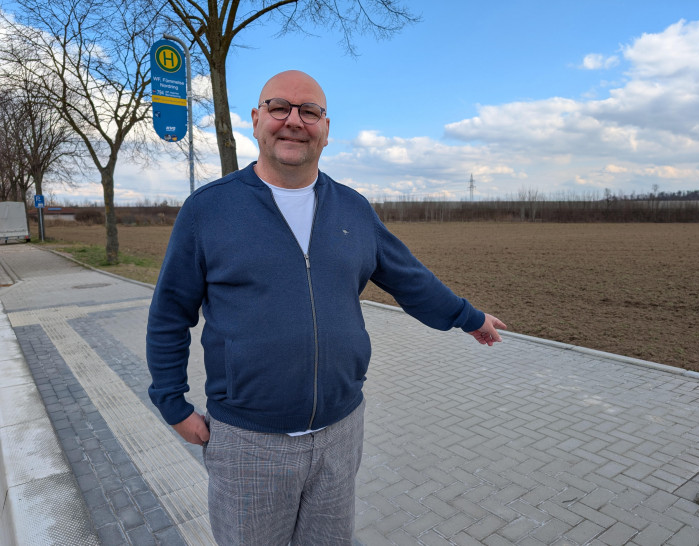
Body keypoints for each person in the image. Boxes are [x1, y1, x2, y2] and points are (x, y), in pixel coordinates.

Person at [146, 69, 507, 545]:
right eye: (279, 108)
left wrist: (468, 316)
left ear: (326, 130)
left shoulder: (353, 210)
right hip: (248, 441)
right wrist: (172, 405)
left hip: (340, 432)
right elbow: (170, 312)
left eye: (309, 112)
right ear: (256, 120)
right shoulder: (208, 211)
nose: (294, 121)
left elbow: (409, 278)